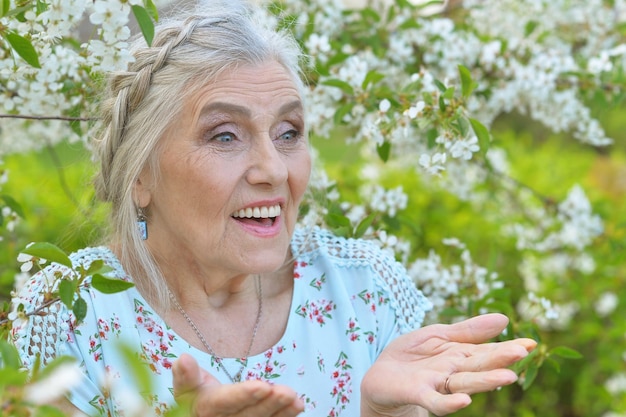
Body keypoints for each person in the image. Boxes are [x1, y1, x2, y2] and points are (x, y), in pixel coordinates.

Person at [10, 1, 536, 416]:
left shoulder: (361, 292)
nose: (274, 169)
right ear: (141, 175)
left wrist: (381, 414)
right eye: (224, 136)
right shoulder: (68, 312)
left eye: (288, 133)